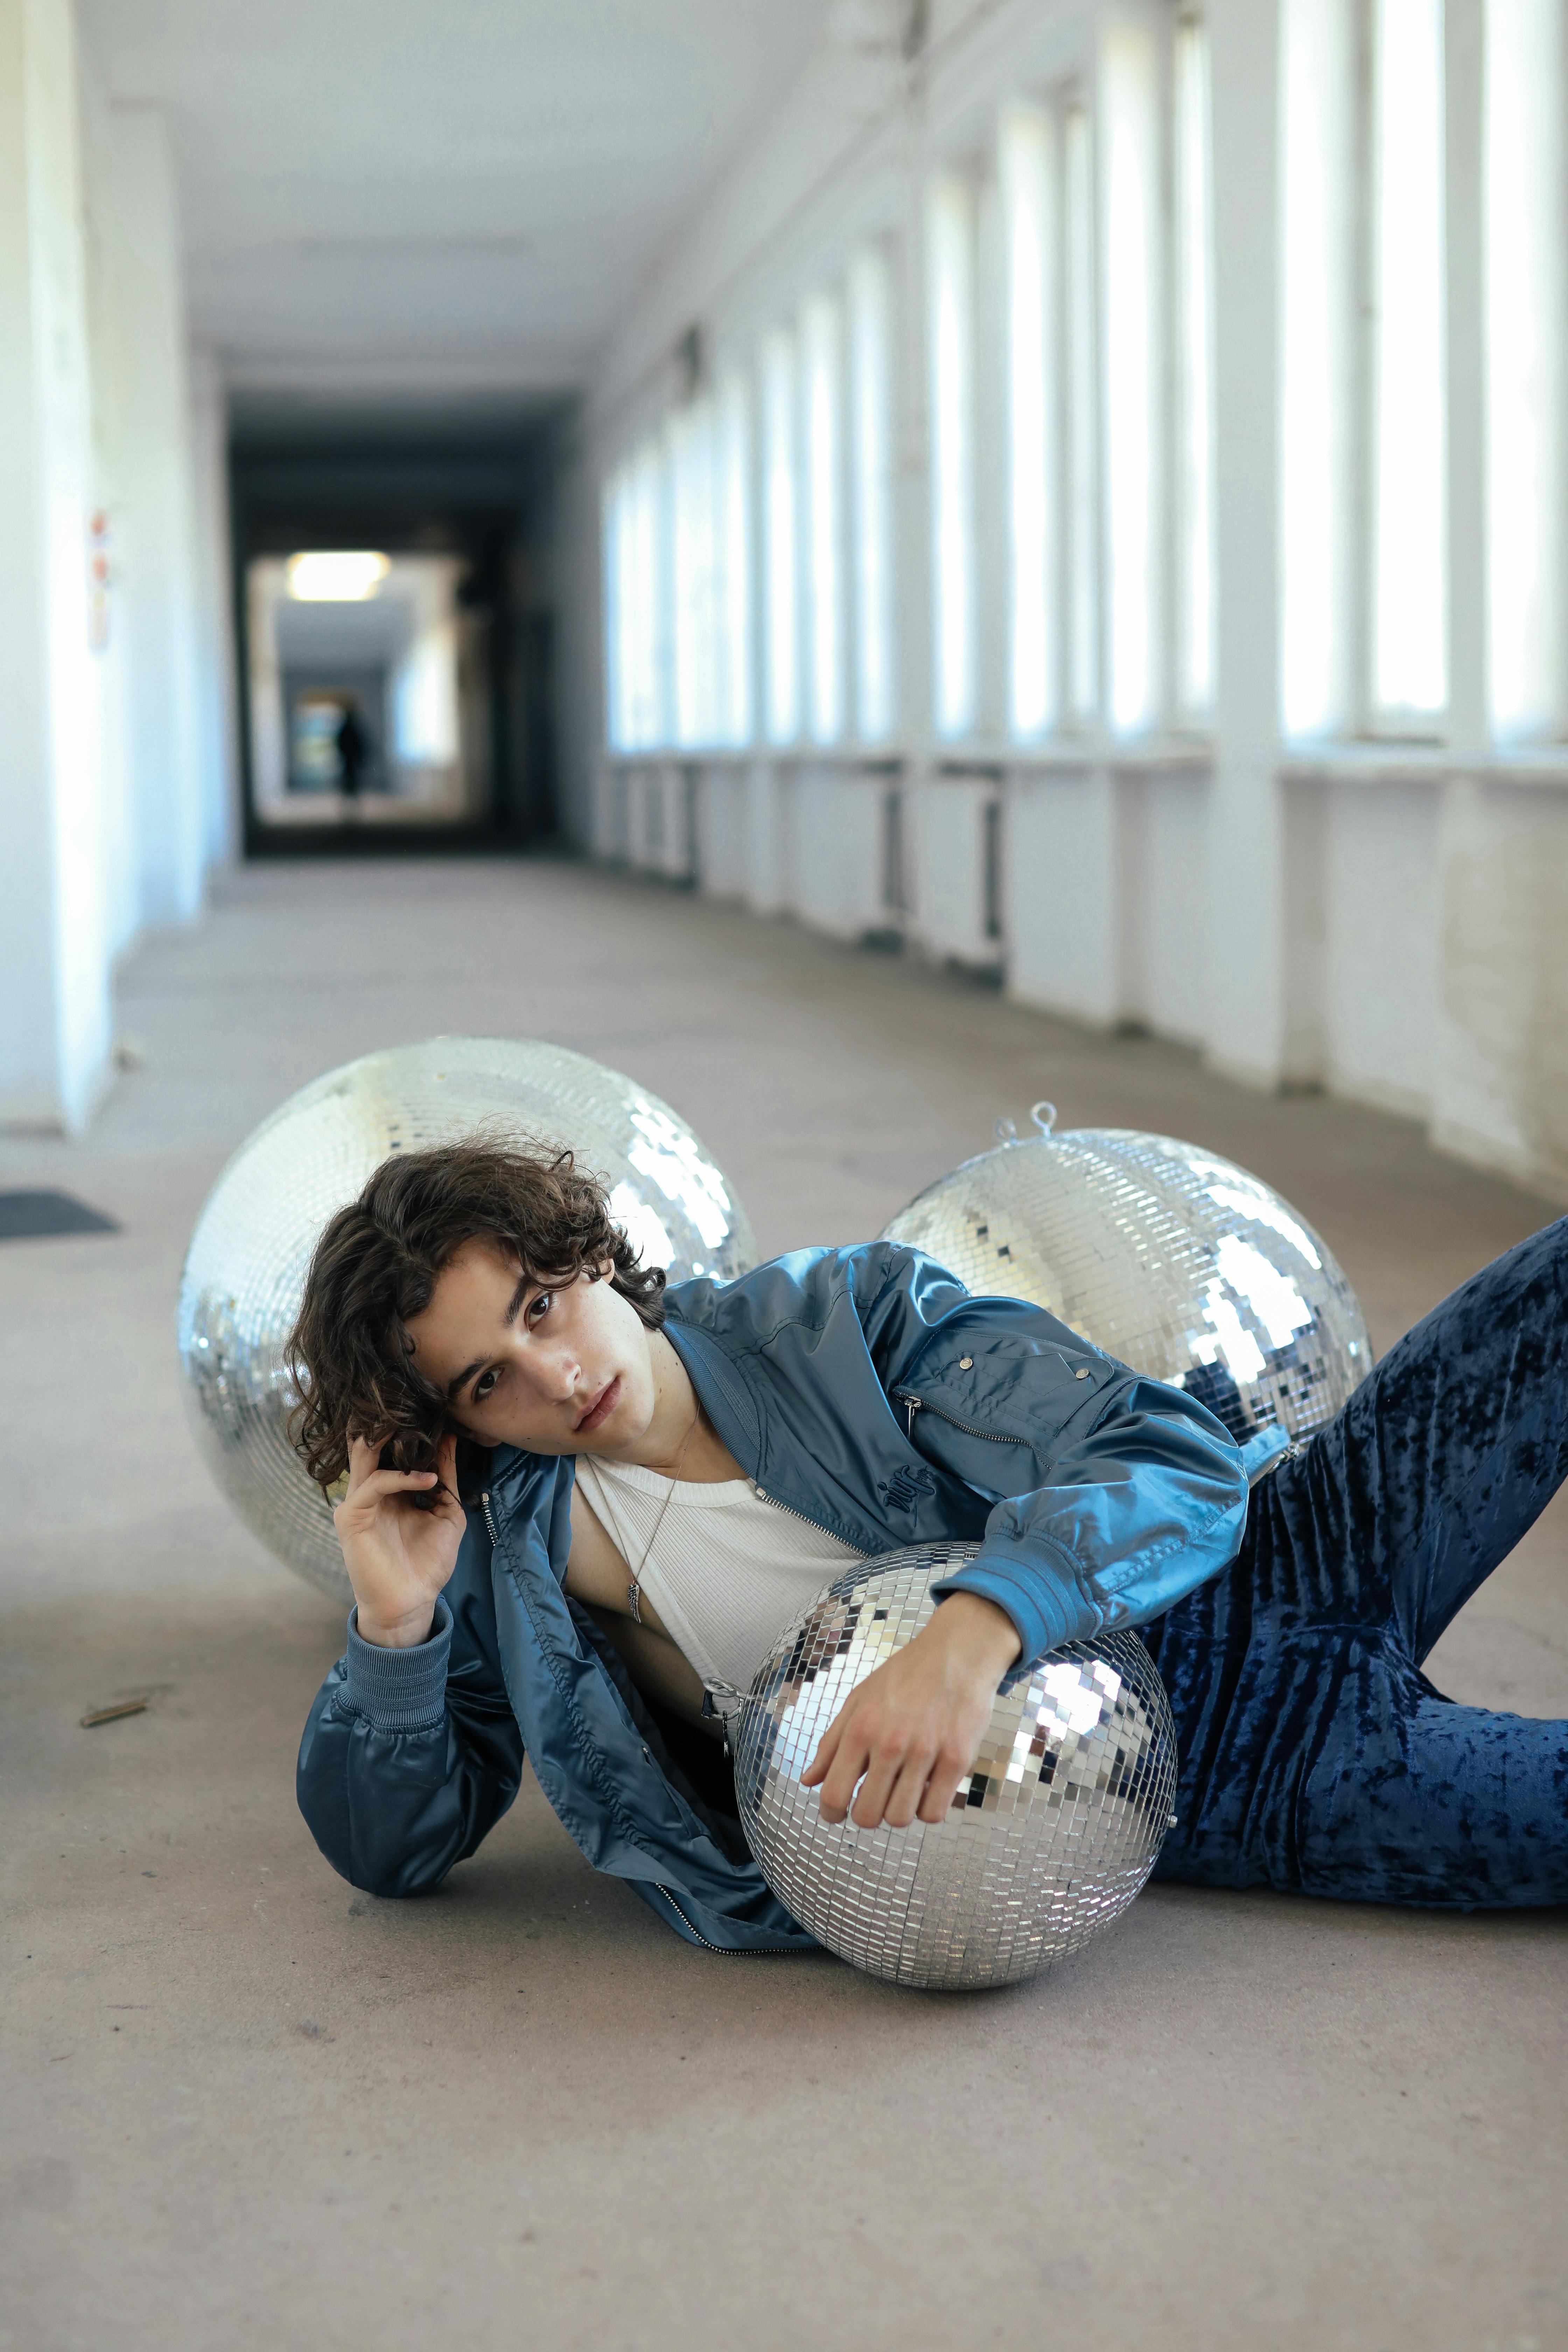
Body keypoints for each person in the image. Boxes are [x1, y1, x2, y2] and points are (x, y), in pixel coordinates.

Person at [290, 1141, 1568, 1951]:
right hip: (1232, 1776)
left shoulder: (836, 1318)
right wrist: (394, 1629)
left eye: (542, 1306)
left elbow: (1162, 1456)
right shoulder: (514, 1564)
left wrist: (976, 1627)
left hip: (1300, 1542)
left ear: (587, 1259)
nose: (559, 1378)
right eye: (486, 1381)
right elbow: (393, 1852)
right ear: (450, 1423)